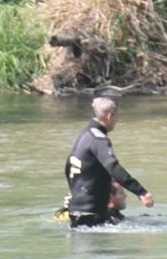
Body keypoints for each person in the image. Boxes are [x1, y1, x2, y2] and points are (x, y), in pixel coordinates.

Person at [64, 97, 154, 228]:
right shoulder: (99, 139)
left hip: (76, 211)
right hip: (92, 215)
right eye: (116, 117)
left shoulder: (83, 136)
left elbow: (69, 167)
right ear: (109, 116)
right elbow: (113, 167)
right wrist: (141, 192)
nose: (116, 121)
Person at [55, 181, 127, 224]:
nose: (125, 196)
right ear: (109, 199)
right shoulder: (102, 217)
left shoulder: (115, 214)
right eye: (121, 193)